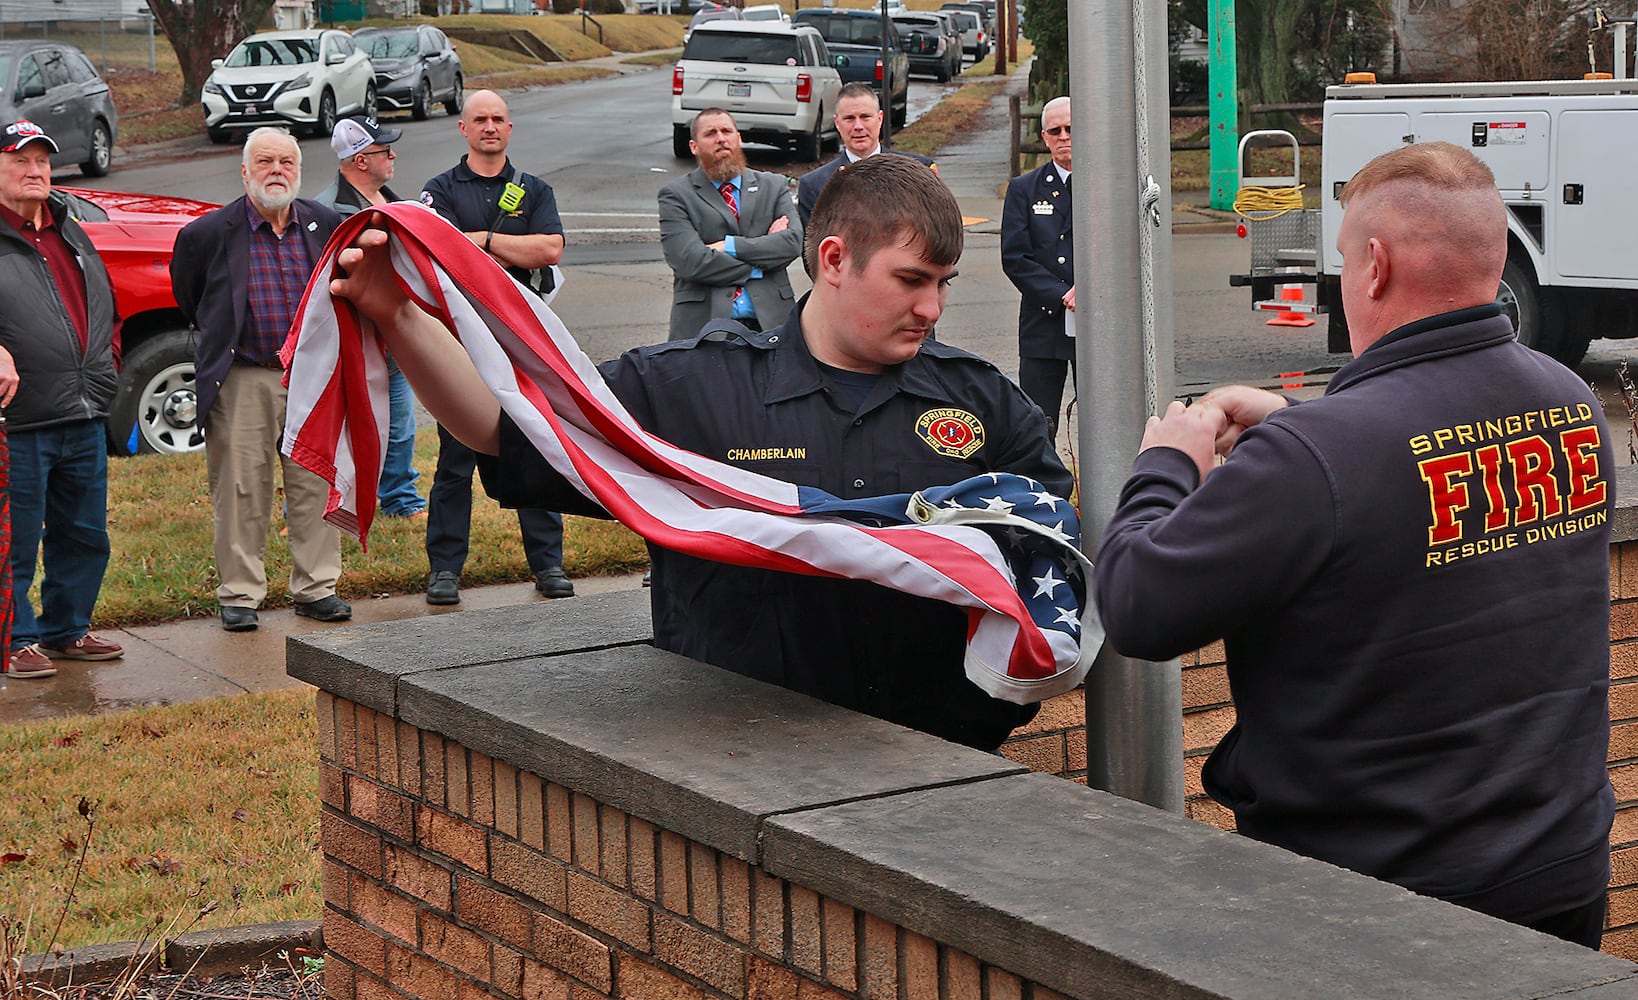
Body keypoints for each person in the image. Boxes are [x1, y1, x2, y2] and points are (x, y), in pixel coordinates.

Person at [331, 154, 1068, 752]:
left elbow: (1052, 556)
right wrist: (395, 314)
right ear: (836, 259)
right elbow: (507, 427)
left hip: (937, 759)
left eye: (943, 284)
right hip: (737, 764)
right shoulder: (693, 386)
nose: (931, 308)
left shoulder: (981, 403)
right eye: (911, 280)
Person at [1095, 142, 1614, 949]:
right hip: (1559, 875)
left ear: (1373, 266)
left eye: (1341, 257)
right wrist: (1301, 427)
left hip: (1377, 904)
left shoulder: (1317, 460)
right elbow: (1413, 471)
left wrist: (1168, 462)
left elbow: (1135, 604)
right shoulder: (1569, 402)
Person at [171, 127, 351, 633]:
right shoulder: (207, 234)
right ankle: (240, 595)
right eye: (266, 162)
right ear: (245, 172)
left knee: (315, 483)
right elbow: (191, 299)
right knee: (240, 488)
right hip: (244, 378)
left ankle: (317, 587)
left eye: (287, 162)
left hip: (310, 379)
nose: (277, 171)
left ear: (299, 169)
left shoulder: (325, 224)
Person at [418, 90, 571, 605]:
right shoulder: (438, 191)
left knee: (536, 449)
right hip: (461, 344)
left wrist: (481, 241)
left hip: (522, 342)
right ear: (463, 129)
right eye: (479, 119)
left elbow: (549, 247)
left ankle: (549, 565)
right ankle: (443, 572)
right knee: (455, 460)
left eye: (498, 119)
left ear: (510, 128)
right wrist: (504, 245)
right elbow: (434, 250)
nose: (490, 126)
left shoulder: (533, 189)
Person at [0, 119, 123, 678]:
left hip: (82, 412)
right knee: (14, 540)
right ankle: (13, 638)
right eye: (20, 160)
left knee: (84, 534)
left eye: (42, 161)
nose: (35, 171)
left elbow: (104, 309)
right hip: (17, 421)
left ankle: (66, 629)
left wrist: (106, 367)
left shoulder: (68, 232)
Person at [313, 115, 426, 520]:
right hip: (351, 342)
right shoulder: (327, 211)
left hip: (392, 338)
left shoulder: (394, 203)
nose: (393, 154)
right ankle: (314, 504)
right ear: (361, 160)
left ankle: (400, 498)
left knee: (400, 426)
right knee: (336, 428)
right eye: (384, 149)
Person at [658, 108, 801, 341]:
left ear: (739, 138)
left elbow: (792, 243)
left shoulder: (773, 186)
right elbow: (690, 261)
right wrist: (762, 264)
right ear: (694, 146)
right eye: (711, 133)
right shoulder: (676, 195)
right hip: (705, 329)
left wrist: (728, 246)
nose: (721, 138)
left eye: (727, 131)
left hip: (771, 325)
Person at [1000, 96, 1074, 439]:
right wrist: (1062, 294)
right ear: (1044, 137)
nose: (1064, 136)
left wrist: (1091, 290)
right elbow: (1014, 257)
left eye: (1071, 129)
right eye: (1055, 130)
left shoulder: (1108, 185)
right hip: (1043, 323)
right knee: (1038, 424)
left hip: (1097, 324)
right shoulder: (1024, 189)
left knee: (1108, 419)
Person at [796, 83, 937, 228]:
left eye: (865, 117)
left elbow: (936, 234)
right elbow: (814, 247)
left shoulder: (918, 171)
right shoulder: (815, 186)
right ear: (837, 123)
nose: (858, 126)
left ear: (880, 118)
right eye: (849, 118)